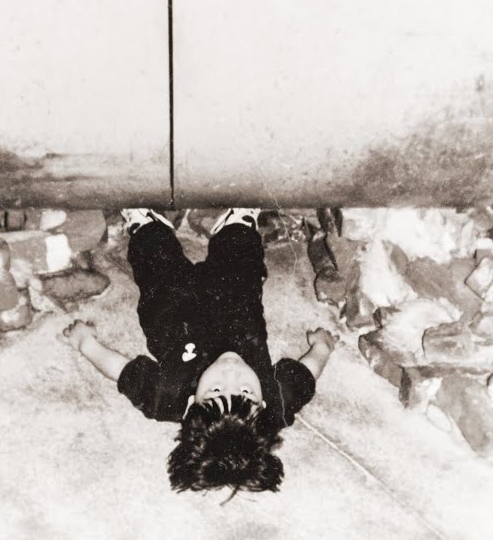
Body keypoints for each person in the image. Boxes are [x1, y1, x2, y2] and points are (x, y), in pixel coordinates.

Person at [61, 208, 339, 495]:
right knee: (243, 264)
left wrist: (86, 344)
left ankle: (148, 225)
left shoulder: (166, 398)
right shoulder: (276, 404)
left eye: (215, 390)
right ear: (263, 405)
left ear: (192, 403)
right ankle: (234, 225)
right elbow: (307, 374)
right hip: (234, 306)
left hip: (173, 309)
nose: (231, 373)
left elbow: (120, 370)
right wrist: (322, 347)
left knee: (156, 262)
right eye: (246, 392)